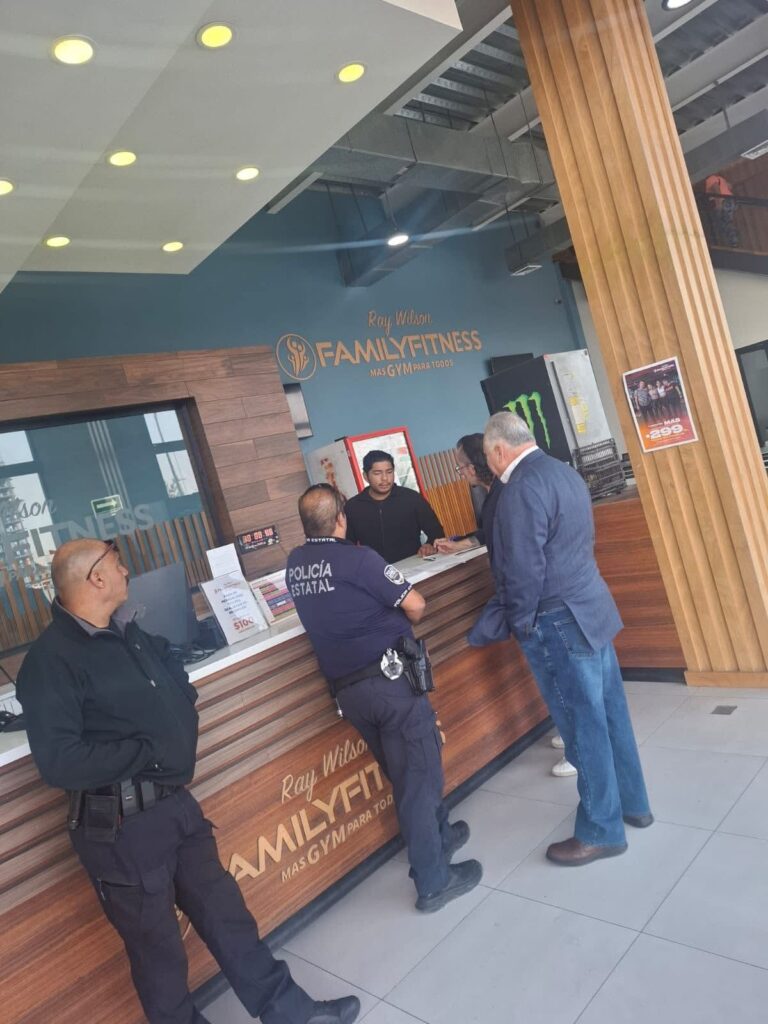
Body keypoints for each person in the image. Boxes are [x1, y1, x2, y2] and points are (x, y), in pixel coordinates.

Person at [16, 538, 360, 1024]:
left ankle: (292, 1013)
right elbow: (59, 762)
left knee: (228, 919)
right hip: (122, 833)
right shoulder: (50, 662)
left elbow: (171, 670)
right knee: (160, 958)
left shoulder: (127, 630)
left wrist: (178, 712)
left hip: (176, 807)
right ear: (95, 578)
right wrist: (149, 752)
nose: (126, 571)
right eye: (117, 564)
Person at [287, 484, 482, 911]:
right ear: (341, 518)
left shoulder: (295, 565)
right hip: (391, 685)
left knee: (408, 773)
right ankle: (433, 881)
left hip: (349, 693)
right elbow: (417, 605)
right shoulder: (359, 560)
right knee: (418, 775)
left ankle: (441, 836)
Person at [469, 412, 652, 866]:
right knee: (610, 714)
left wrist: (521, 624)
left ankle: (601, 830)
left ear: (497, 450)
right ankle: (633, 804)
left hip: (558, 620)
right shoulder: (563, 472)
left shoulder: (518, 489)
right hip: (591, 606)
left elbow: (523, 569)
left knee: (581, 725)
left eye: (488, 457)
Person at [436, 434, 576, 780]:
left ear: (479, 463)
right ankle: (571, 732)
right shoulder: (497, 492)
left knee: (555, 675)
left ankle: (576, 746)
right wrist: (467, 541)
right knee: (556, 676)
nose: (461, 472)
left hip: (534, 604)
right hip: (542, 602)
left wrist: (521, 613)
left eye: (462, 466)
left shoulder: (507, 492)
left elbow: (522, 558)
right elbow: (493, 532)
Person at [344, 450, 444, 563]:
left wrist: (429, 545)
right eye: (377, 473)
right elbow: (347, 546)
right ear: (366, 476)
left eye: (389, 472)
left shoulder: (411, 498)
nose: (385, 478)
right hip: (375, 569)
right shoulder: (353, 507)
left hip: (414, 564)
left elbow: (437, 532)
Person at [435, 433, 502, 561]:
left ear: (472, 469)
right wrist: (457, 545)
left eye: (460, 468)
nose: (461, 474)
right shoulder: (494, 493)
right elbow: (490, 531)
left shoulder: (506, 495)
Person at [704, 172, 739, 248]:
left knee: (724, 222)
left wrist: (719, 204)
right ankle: (733, 240)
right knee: (727, 221)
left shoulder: (710, 179)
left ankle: (733, 240)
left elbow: (716, 189)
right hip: (730, 201)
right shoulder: (721, 179)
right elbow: (730, 186)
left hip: (723, 202)